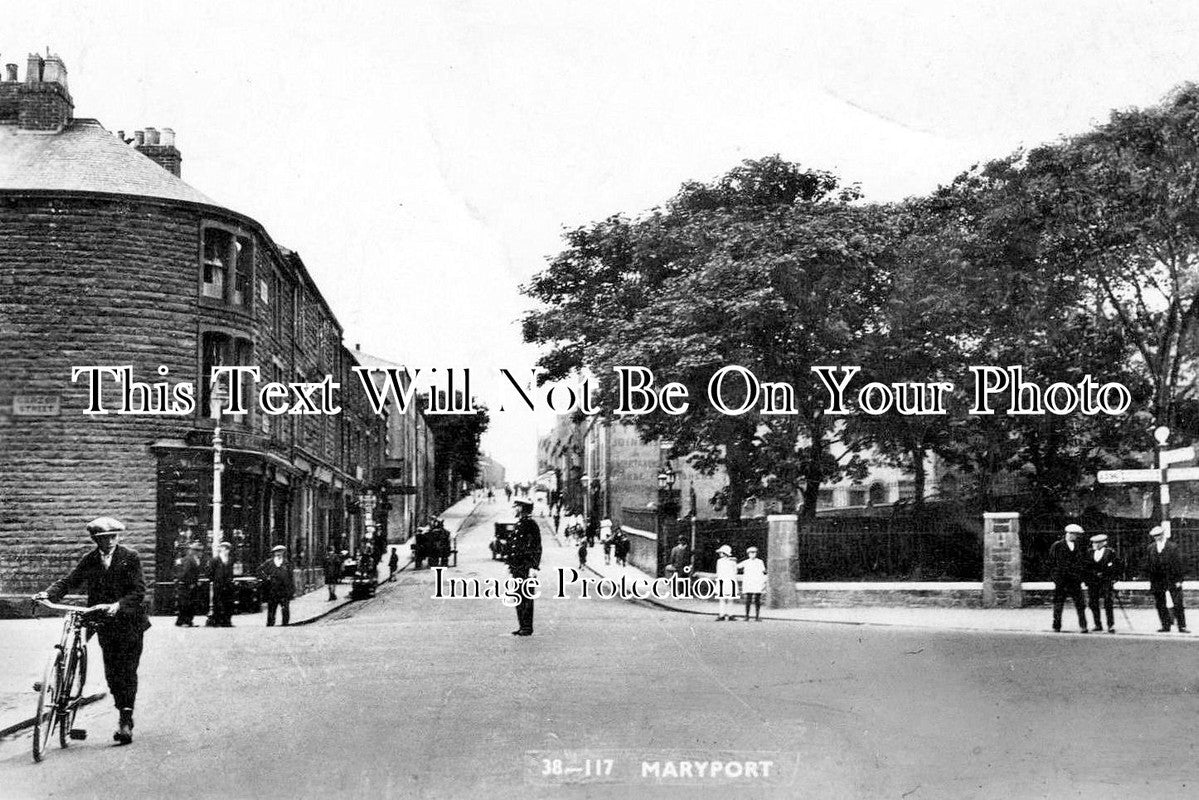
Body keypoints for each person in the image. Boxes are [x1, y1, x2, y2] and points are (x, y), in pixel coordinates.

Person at [34, 517, 151, 745]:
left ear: (118, 537)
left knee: (126, 671)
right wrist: (48, 594)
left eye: (113, 537)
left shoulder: (130, 557)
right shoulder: (90, 559)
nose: (109, 542)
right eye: (103, 538)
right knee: (110, 671)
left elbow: (138, 591)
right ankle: (60, 684)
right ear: (95, 540)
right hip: (103, 621)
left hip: (129, 622)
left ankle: (125, 719)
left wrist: (116, 606)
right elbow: (69, 581)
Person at [508, 498, 542, 636]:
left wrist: (534, 566)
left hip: (526, 566)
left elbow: (537, 546)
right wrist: (509, 564)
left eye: (516, 507)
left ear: (522, 508)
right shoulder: (520, 523)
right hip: (517, 566)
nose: (514, 509)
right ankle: (522, 625)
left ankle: (527, 627)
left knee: (526, 596)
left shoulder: (531, 524)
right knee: (518, 595)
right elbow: (514, 546)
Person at [1146, 525, 1188, 633]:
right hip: (1158, 580)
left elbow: (1179, 564)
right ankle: (1165, 625)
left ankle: (1182, 626)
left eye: (1159, 535)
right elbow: (1149, 565)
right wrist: (1151, 580)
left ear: (1163, 535)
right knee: (1160, 603)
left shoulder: (1173, 547)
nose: (1157, 537)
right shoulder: (1151, 548)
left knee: (1178, 603)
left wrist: (1179, 580)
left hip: (1172, 579)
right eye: (1155, 536)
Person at [1049, 524, 1089, 633]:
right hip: (1061, 580)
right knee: (1058, 603)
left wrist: (1081, 577)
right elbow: (1051, 563)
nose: (1076, 537)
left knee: (1080, 604)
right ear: (1069, 534)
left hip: (1075, 580)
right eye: (1075, 534)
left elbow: (1083, 562)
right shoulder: (1057, 546)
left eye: (1077, 535)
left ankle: (1083, 626)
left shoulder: (1079, 546)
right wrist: (1055, 578)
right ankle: (1056, 625)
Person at [1085, 533, 1122, 633]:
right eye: (1093, 543)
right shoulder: (1089, 553)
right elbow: (1086, 567)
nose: (1094, 545)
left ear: (1103, 543)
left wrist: (1113, 578)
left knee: (1108, 603)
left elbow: (1116, 566)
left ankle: (1110, 625)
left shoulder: (1110, 552)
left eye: (1097, 543)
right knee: (1093, 603)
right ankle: (1097, 624)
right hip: (1093, 582)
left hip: (1106, 581)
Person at [256, 544, 295, 626]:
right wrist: (266, 578)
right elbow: (259, 570)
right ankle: (270, 624)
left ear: (283, 552)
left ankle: (285, 624)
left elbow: (291, 577)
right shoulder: (269, 562)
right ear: (273, 553)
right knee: (272, 608)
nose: (279, 553)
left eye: (281, 551)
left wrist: (291, 589)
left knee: (285, 608)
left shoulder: (287, 563)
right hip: (272, 589)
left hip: (284, 590)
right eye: (277, 552)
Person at [207, 541, 236, 627]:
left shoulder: (230, 560)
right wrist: (214, 580)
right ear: (221, 549)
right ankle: (217, 621)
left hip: (228, 584)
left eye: (227, 549)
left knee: (228, 603)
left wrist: (231, 580)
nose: (226, 551)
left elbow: (231, 572)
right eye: (224, 549)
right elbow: (210, 572)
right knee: (217, 602)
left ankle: (227, 621)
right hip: (218, 584)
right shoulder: (215, 560)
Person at [174, 541, 203, 627]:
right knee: (186, 604)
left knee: (188, 603)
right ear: (195, 551)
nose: (201, 553)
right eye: (199, 551)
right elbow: (186, 572)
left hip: (190, 585)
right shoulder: (189, 559)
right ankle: (185, 621)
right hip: (187, 586)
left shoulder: (194, 559)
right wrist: (190, 582)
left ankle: (183, 621)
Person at [739, 546, 768, 622]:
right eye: (750, 553)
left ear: (756, 554)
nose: (752, 554)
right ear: (748, 554)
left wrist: (763, 581)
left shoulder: (759, 562)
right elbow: (737, 566)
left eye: (754, 553)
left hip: (757, 583)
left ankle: (757, 616)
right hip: (749, 583)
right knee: (748, 600)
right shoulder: (746, 562)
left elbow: (763, 571)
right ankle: (747, 616)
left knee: (757, 600)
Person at [714, 545, 739, 620]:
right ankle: (724, 614)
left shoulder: (730, 562)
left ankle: (726, 614)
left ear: (724, 553)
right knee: (725, 599)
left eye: (721, 553)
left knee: (727, 598)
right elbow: (735, 571)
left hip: (726, 580)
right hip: (727, 580)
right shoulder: (728, 561)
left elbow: (718, 572)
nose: (720, 554)